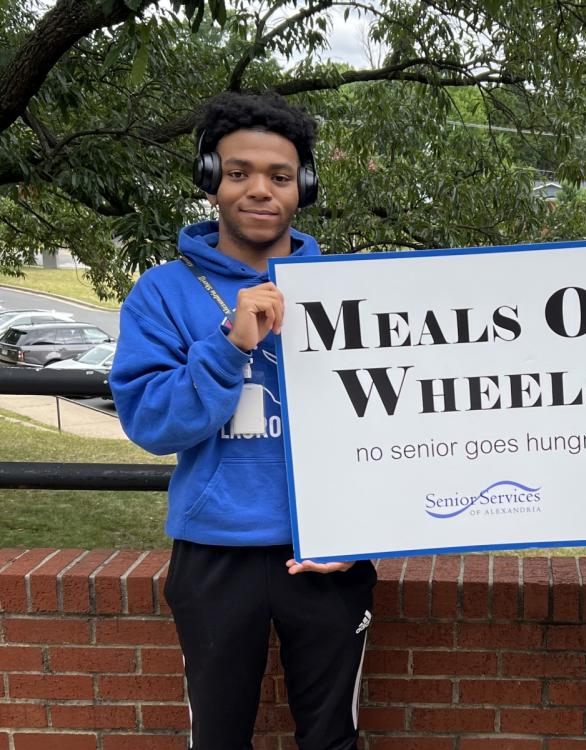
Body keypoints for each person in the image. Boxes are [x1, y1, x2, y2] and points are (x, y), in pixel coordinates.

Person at [110, 92, 376, 750]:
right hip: (213, 554)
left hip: (326, 554)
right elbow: (150, 422)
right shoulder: (163, 292)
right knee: (219, 737)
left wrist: (361, 531)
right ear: (212, 182)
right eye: (239, 172)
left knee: (332, 737)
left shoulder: (352, 286)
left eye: (280, 176)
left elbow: (390, 433)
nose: (260, 190)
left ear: (303, 186)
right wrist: (229, 346)